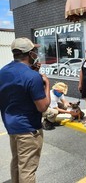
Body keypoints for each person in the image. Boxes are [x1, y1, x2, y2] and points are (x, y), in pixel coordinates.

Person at [0, 37, 50, 182]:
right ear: (30, 54)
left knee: (17, 163)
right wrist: (46, 84)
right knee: (27, 170)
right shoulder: (33, 77)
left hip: (12, 127)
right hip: (29, 130)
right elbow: (43, 106)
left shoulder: (2, 72)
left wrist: (32, 72)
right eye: (34, 50)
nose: (36, 53)